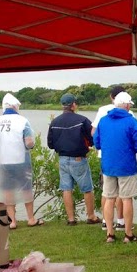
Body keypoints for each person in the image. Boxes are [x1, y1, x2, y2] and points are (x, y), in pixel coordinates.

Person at [93, 91, 137, 243]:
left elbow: (96, 142)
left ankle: (110, 234)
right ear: (127, 105)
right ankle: (128, 234)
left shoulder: (103, 120)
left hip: (108, 165)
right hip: (126, 166)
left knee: (109, 198)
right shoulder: (131, 121)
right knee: (126, 199)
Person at [0, 93, 43, 228]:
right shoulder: (23, 121)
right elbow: (29, 142)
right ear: (15, 107)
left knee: (7, 190)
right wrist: (30, 146)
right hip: (21, 161)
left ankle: (12, 221)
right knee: (26, 189)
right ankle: (31, 218)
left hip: (2, 162)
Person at [47, 93, 100, 225]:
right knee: (87, 188)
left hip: (63, 159)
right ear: (73, 105)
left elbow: (50, 144)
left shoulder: (55, 122)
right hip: (78, 159)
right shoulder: (82, 120)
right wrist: (88, 145)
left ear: (62, 105)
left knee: (66, 188)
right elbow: (92, 138)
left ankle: (71, 219)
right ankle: (91, 216)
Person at [92, 85, 127, 230]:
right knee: (122, 191)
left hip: (105, 157)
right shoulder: (128, 111)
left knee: (107, 191)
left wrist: (102, 146)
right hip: (124, 157)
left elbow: (94, 132)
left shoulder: (102, 110)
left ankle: (106, 221)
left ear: (111, 97)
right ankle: (120, 221)